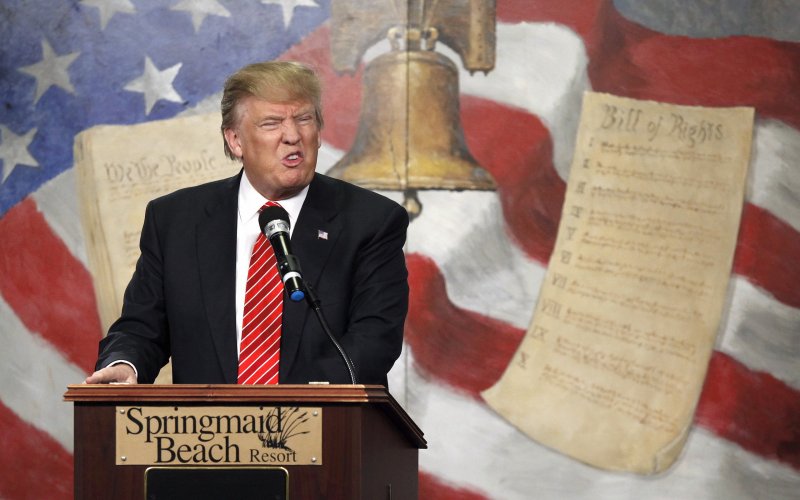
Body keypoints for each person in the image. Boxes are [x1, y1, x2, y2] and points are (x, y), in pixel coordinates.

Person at [84, 61, 409, 386]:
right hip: (206, 433)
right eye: (272, 123)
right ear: (235, 141)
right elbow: (142, 326)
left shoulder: (371, 222)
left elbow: (374, 339)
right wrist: (126, 365)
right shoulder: (175, 220)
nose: (293, 136)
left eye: (304, 119)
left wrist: (289, 411)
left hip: (322, 427)